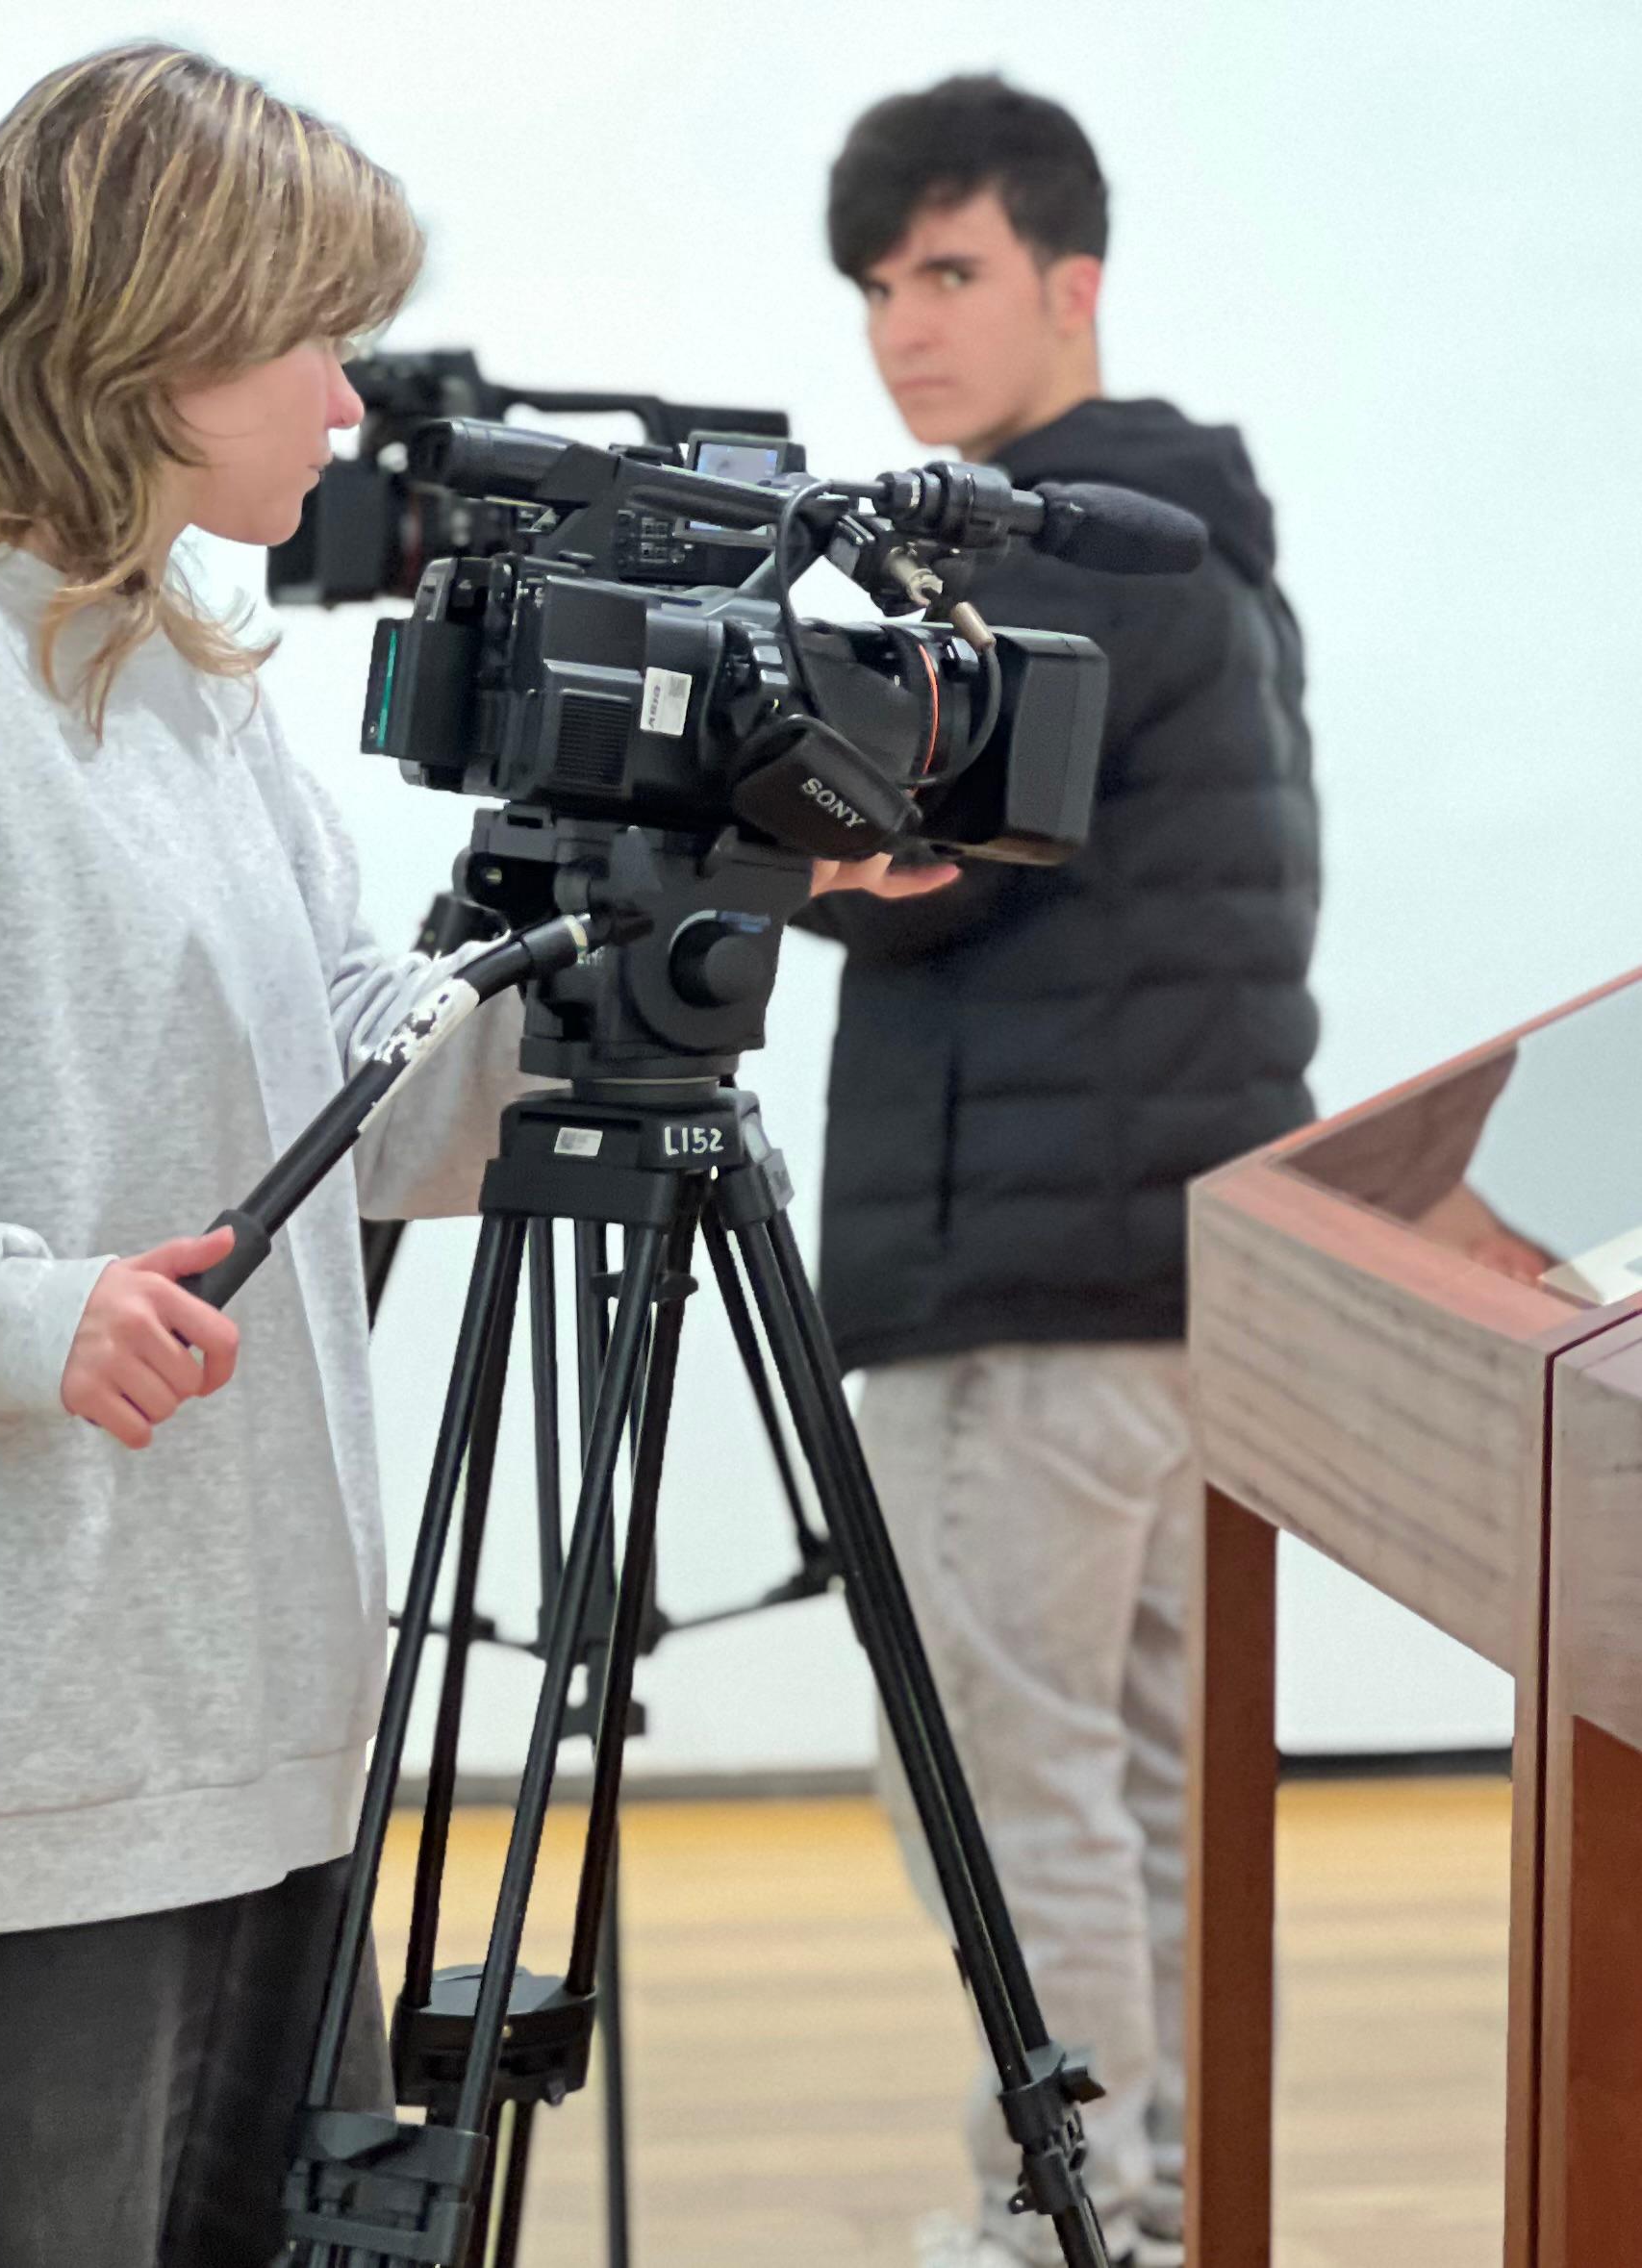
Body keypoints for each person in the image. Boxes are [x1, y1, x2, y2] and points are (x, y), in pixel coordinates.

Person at [0, 44, 939, 2266]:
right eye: (313, 340)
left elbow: (355, 1096)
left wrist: (697, 902)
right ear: (157, 336)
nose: (345, 403)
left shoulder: (189, 690)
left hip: (262, 1731)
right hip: (25, 1776)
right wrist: (14, 1318)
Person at [807, 76, 1323, 2268]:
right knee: (1143, 1796)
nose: (903, 329)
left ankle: (1064, 2232)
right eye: (874, 287)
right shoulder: (1195, 545)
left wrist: (772, 817)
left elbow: (902, 865)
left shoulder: (1054, 556)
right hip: (1179, 1290)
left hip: (1020, 1288)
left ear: (1070, 281)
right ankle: (1151, 2215)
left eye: (950, 272)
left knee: (1016, 1801)